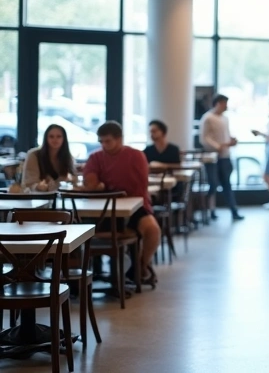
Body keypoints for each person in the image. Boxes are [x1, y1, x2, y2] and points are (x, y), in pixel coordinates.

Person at [82, 121, 162, 286]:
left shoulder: (136, 156)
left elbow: (140, 189)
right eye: (101, 141)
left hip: (135, 206)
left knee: (152, 230)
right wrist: (96, 185)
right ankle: (85, 276)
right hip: (102, 210)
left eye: (108, 141)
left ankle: (141, 266)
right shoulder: (95, 157)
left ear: (119, 139)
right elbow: (90, 183)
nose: (104, 145)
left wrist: (106, 188)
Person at [199, 94, 243, 221]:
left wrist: (231, 141)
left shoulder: (225, 118)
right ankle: (209, 210)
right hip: (212, 157)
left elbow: (225, 134)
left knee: (227, 185)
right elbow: (204, 138)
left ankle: (234, 211)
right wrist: (217, 146)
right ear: (217, 103)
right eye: (224, 103)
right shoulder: (207, 118)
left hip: (225, 156)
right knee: (213, 184)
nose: (226, 106)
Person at [22, 124, 76, 192]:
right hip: (38, 196)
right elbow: (28, 183)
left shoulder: (68, 157)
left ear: (64, 139)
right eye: (51, 136)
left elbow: (73, 181)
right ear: (46, 138)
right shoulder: (34, 155)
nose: (55, 139)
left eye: (59, 136)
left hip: (63, 196)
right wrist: (38, 186)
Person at [144, 119, 184, 200]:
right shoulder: (148, 150)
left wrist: (163, 166)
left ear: (163, 132)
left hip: (171, 182)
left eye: (154, 131)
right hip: (153, 182)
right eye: (150, 132)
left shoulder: (173, 149)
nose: (152, 134)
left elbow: (178, 166)